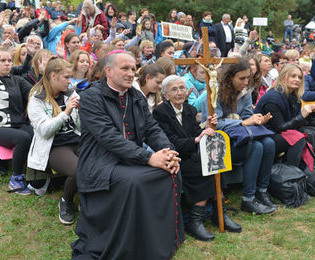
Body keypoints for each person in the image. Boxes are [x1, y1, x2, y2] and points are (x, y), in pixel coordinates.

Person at [71, 51, 184, 259]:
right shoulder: (90, 97)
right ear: (108, 71)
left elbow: (152, 129)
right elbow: (108, 137)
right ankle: (128, 244)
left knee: (170, 172)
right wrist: (149, 158)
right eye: (125, 68)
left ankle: (154, 240)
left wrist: (168, 152)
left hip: (131, 158)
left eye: (133, 69)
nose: (131, 73)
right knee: (136, 182)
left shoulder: (135, 96)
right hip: (101, 163)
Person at [153, 75, 241, 241]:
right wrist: (195, 139)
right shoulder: (160, 112)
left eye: (182, 88)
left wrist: (206, 127)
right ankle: (195, 222)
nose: (180, 92)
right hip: (174, 158)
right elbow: (169, 140)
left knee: (215, 166)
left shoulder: (189, 110)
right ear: (165, 95)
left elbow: (194, 132)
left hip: (191, 155)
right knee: (202, 171)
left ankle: (220, 214)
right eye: (174, 89)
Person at [202, 58, 277, 215]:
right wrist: (241, 123)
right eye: (242, 78)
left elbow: (247, 116)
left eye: (248, 77)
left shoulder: (245, 91)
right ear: (230, 78)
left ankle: (262, 190)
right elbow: (214, 124)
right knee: (255, 147)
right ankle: (248, 199)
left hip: (240, 136)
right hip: (220, 141)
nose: (246, 82)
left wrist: (257, 120)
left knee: (269, 143)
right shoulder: (214, 92)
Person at [27, 57, 80, 224]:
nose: (69, 81)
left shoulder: (70, 93)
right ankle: (66, 201)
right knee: (79, 170)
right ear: (53, 75)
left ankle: (90, 200)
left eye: (70, 77)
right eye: (66, 77)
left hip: (77, 139)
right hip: (55, 146)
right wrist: (66, 113)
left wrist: (81, 112)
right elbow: (44, 131)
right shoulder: (37, 99)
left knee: (102, 161)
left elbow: (80, 126)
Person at [255, 64, 315, 168]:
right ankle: (293, 174)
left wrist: (311, 112)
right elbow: (279, 127)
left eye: (299, 77)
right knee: (301, 137)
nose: (297, 80)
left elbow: (295, 121)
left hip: (282, 130)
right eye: (293, 76)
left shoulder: (293, 95)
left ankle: (314, 168)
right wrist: (301, 116)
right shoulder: (273, 98)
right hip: (266, 134)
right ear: (283, 77)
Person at [0, 48, 33, 195]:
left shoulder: (18, 80)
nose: (7, 64)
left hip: (18, 124)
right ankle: (16, 178)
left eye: (9, 60)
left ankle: (36, 176)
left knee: (38, 133)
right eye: (3, 60)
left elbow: (34, 93)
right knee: (23, 138)